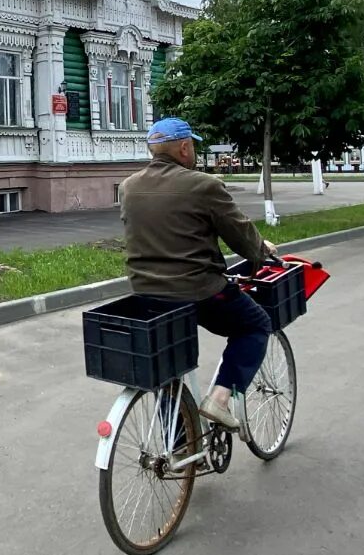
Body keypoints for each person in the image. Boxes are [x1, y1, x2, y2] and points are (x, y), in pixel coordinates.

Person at [118, 116, 279, 431]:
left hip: (146, 294)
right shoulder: (204, 185)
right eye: (192, 146)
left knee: (167, 365)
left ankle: (176, 444)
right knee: (257, 325)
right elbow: (239, 233)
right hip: (199, 291)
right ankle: (219, 401)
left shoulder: (128, 188)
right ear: (184, 147)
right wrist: (261, 251)